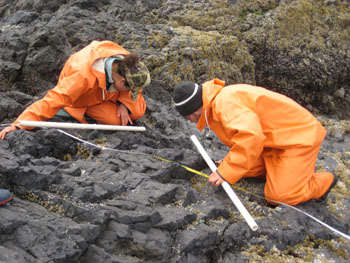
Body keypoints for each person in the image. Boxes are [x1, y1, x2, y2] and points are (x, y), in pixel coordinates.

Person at [172, 78, 337, 205]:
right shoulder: (214, 106)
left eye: (189, 116)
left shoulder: (225, 103)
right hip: (272, 144)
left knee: (279, 196)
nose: (191, 122)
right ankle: (282, 172)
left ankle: (324, 181)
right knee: (243, 169)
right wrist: (231, 163)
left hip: (297, 139)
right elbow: (248, 139)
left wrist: (229, 169)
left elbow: (251, 137)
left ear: (196, 108)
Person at [0, 40, 150, 139]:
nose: (131, 91)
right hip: (83, 99)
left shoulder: (126, 62)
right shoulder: (80, 79)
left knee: (137, 111)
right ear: (122, 80)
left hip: (108, 89)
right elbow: (51, 101)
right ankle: (79, 111)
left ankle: (119, 102)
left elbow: (137, 82)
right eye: (130, 89)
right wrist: (18, 125)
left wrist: (125, 103)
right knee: (114, 121)